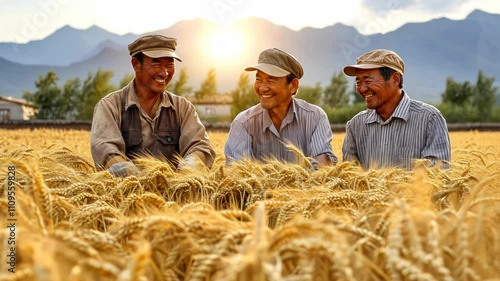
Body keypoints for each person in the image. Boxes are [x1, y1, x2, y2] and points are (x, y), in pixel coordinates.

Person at [90, 34, 216, 177]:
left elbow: (199, 145)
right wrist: (133, 177)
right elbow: (105, 149)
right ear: (136, 64)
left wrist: (188, 170)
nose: (164, 72)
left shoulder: (183, 108)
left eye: (170, 64)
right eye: (156, 64)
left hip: (176, 196)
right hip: (126, 196)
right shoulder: (110, 107)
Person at [224, 48, 337, 168]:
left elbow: (322, 170)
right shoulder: (243, 123)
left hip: (310, 187)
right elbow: (237, 176)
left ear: (293, 85)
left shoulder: (315, 117)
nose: (262, 88)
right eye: (258, 79)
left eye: (271, 80)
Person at [342, 49, 451, 170]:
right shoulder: (355, 125)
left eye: (368, 80)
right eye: (358, 82)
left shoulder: (430, 119)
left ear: (395, 79)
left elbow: (437, 176)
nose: (362, 89)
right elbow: (350, 178)